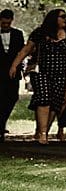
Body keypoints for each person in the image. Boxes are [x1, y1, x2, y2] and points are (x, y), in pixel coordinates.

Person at [14, 11, 66, 144]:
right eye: (63, 17)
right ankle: (42, 133)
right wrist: (14, 65)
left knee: (55, 102)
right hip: (41, 71)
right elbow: (26, 49)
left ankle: (44, 131)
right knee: (44, 99)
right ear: (54, 19)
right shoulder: (40, 33)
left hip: (61, 72)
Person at [0, 10, 23, 140]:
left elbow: (21, 52)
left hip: (13, 73)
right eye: (3, 23)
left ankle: (2, 121)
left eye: (8, 23)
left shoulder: (18, 34)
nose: (6, 26)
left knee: (12, 97)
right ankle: (1, 126)